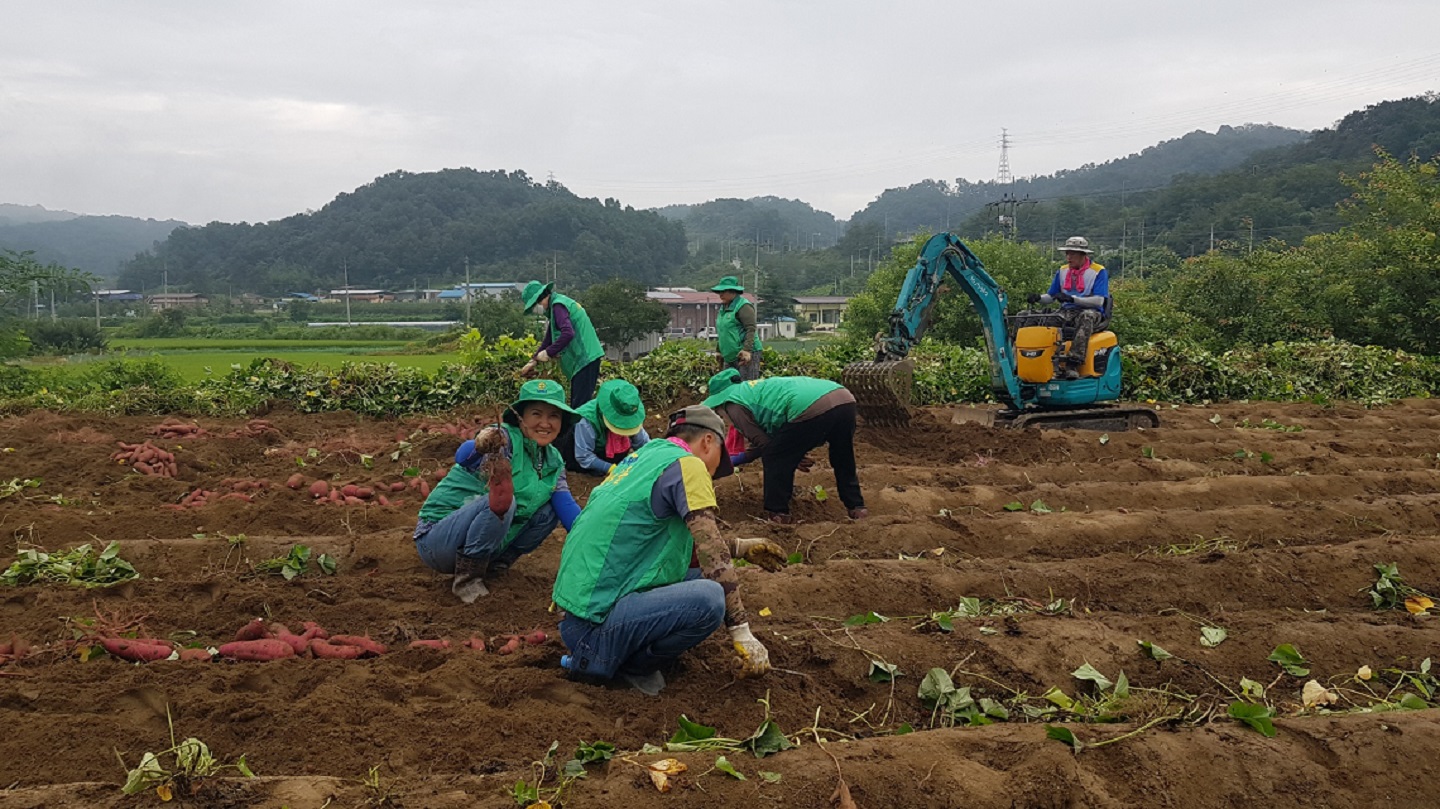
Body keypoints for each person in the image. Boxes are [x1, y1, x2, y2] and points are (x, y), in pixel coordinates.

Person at [552, 405, 788, 695]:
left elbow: (661, 544)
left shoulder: (644, 458)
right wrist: (741, 631)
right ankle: (623, 666)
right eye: (718, 461)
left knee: (694, 577)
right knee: (710, 598)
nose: (714, 472)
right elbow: (711, 551)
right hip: (594, 626)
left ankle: (610, 652)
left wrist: (738, 548)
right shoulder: (689, 464)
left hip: (578, 616)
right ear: (708, 441)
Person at [413, 379, 583, 603]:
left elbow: (566, 507)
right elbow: (463, 457)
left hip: (483, 540)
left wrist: (593, 534)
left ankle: (496, 566)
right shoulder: (505, 439)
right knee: (504, 500)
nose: (545, 423)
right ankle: (467, 579)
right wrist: (483, 443)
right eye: (536, 414)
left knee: (550, 511)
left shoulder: (553, 460)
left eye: (554, 416)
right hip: (438, 540)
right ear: (521, 417)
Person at [702, 369, 866, 524]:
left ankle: (778, 514)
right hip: (843, 398)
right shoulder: (754, 391)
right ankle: (856, 507)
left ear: (720, 403)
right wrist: (792, 453)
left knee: (774, 457)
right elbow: (773, 442)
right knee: (842, 455)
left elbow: (764, 444)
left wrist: (792, 455)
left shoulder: (732, 404)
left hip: (808, 406)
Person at [1025, 236, 1111, 380]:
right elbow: (1051, 297)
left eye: (1072, 254)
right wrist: (1038, 298)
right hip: (1066, 312)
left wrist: (1072, 299)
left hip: (1091, 312)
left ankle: (1073, 363)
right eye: (1067, 253)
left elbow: (1099, 301)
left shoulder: (1098, 271)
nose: (1068, 257)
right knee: (1033, 318)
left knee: (1086, 317)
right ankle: (1031, 360)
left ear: (1083, 255)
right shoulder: (1063, 271)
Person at [519, 280, 606, 408]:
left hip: (585, 359)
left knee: (580, 406)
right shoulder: (557, 307)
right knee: (579, 402)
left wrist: (548, 353)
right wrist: (534, 360)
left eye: (534, 305)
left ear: (541, 298)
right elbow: (549, 339)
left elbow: (568, 333)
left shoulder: (558, 306)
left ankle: (582, 422)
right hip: (584, 360)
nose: (536, 309)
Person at [562, 378, 652, 475]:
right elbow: (584, 456)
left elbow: (644, 443)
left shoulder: (630, 413)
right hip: (583, 455)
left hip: (611, 453)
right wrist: (610, 468)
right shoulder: (586, 422)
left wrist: (652, 457)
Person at [710, 276, 762, 381]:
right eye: (719, 292)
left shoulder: (743, 306)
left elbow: (751, 329)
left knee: (745, 385)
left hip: (745, 353)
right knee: (728, 384)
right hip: (730, 355)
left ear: (733, 292)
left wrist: (746, 350)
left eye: (723, 291)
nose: (720, 294)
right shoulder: (723, 308)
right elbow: (723, 332)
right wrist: (719, 350)